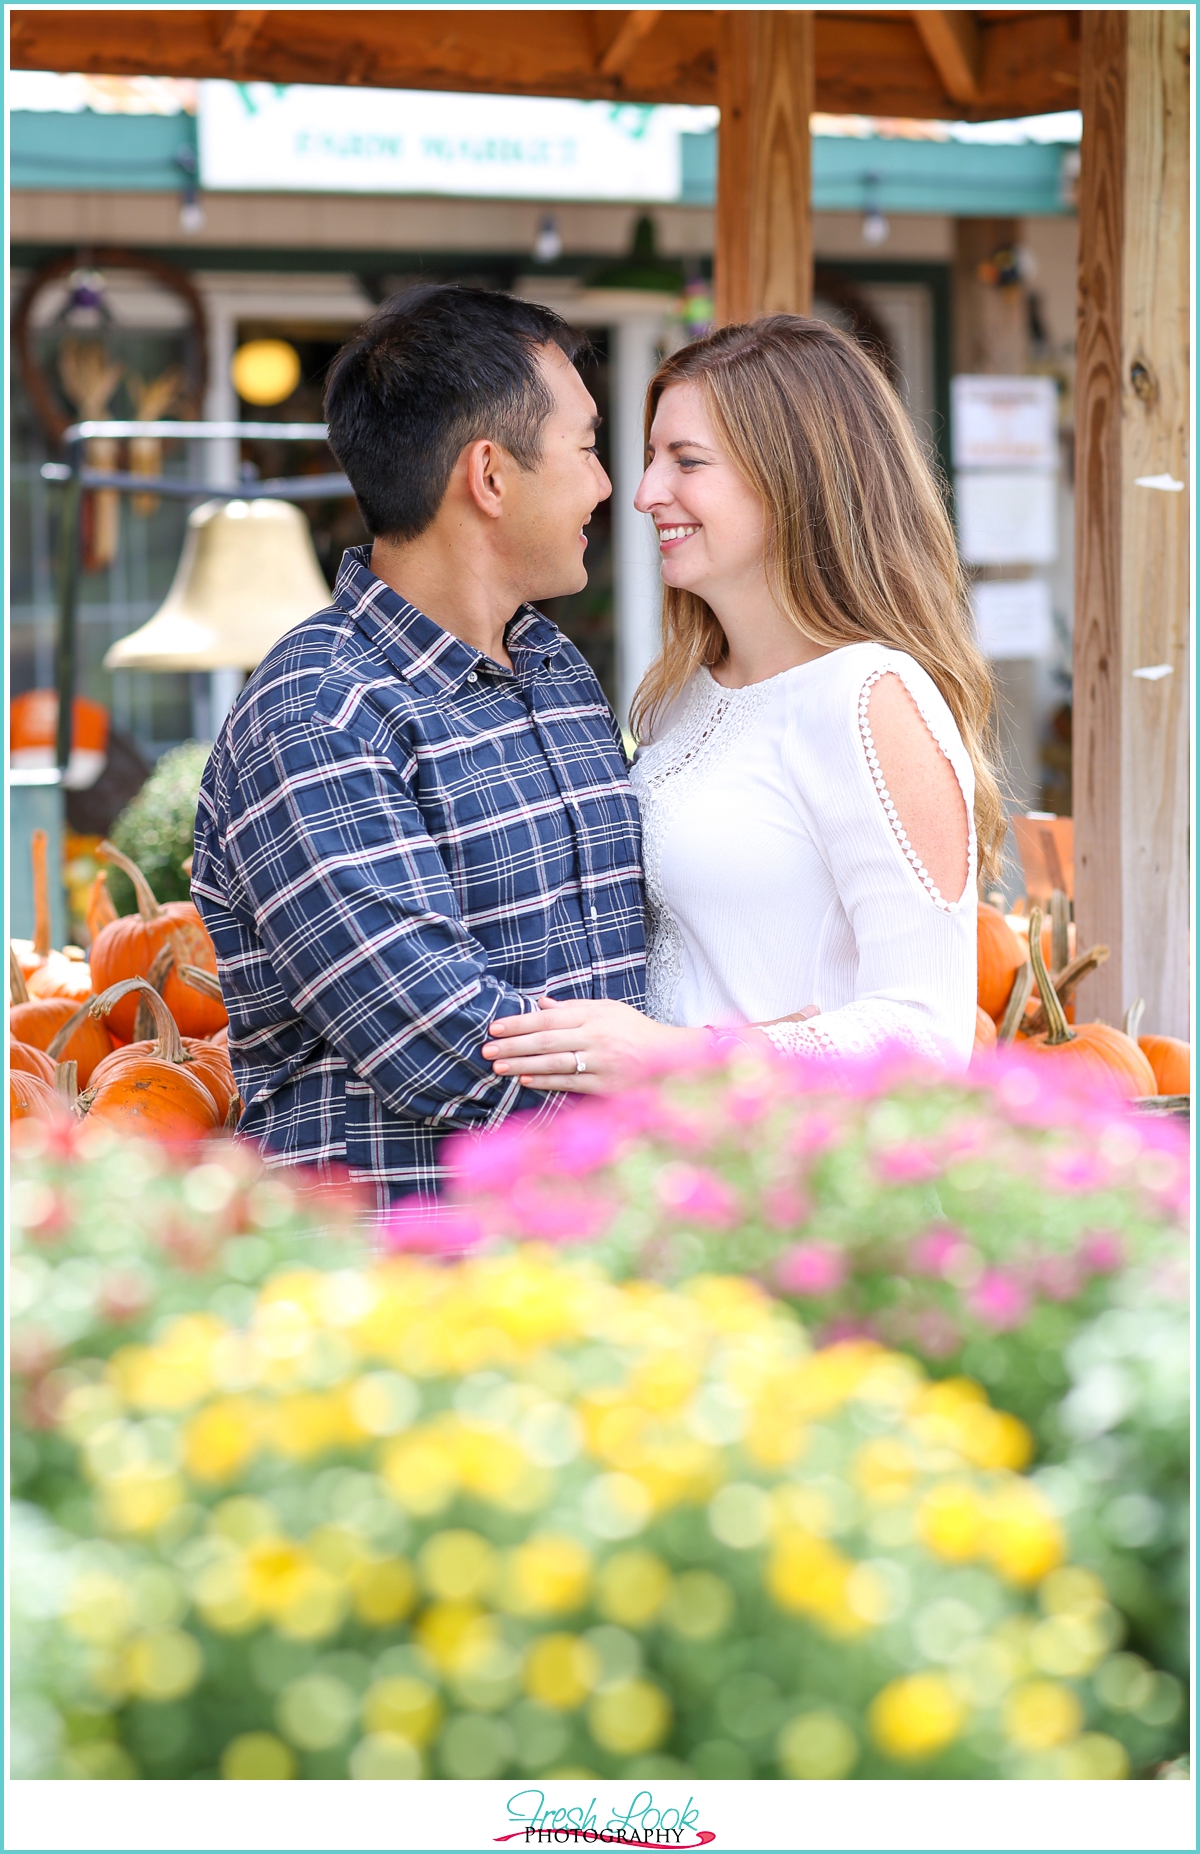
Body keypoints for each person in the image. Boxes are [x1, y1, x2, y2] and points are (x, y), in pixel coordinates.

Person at [192, 285, 645, 1206]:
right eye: (590, 448)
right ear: (490, 476)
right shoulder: (317, 711)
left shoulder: (554, 669)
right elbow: (438, 1041)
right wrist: (706, 1087)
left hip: (597, 1256)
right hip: (402, 1286)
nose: (611, 486)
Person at [482, 313, 1003, 1095]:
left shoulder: (870, 696)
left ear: (795, 476)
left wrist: (672, 1056)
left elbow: (927, 1033)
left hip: (805, 1193)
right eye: (650, 458)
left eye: (686, 462)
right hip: (680, 1182)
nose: (646, 493)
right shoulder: (678, 698)